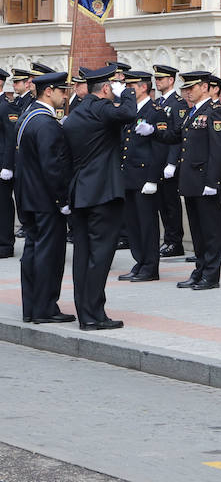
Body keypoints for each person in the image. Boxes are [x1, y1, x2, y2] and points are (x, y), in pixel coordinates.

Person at [62, 65, 142, 330]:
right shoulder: (100, 108)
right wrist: (128, 92)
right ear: (106, 88)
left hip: (81, 193)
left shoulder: (76, 113)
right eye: (114, 86)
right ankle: (93, 315)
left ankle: (87, 312)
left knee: (83, 256)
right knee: (100, 256)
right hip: (102, 194)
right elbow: (129, 113)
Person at [139, 71, 221, 290]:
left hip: (206, 181)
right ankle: (199, 270)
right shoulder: (193, 113)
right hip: (191, 180)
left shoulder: (217, 112)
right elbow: (175, 136)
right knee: (198, 231)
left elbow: (219, 151)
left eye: (192, 88)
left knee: (211, 230)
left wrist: (212, 182)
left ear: (205, 87)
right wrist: (153, 131)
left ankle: (211, 275)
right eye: (186, 88)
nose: (187, 92)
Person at [14, 71, 74, 324]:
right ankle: (45, 308)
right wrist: (63, 200)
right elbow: (53, 167)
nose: (65, 96)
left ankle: (31, 307)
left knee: (32, 253)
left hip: (28, 198)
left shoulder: (27, 117)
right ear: (48, 91)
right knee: (48, 255)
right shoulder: (46, 123)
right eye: (62, 91)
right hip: (46, 201)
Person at [118, 70, 165, 283]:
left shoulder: (155, 111)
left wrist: (153, 179)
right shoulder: (129, 110)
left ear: (143, 87)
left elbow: (160, 147)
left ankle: (150, 266)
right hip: (128, 175)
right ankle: (140, 260)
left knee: (147, 223)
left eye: (131, 86)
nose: (128, 90)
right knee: (133, 223)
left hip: (145, 176)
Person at [152, 64, 188, 259]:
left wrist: (172, 162)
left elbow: (178, 135)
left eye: (161, 79)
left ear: (171, 80)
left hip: (169, 162)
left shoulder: (178, 103)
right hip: (158, 160)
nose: (157, 82)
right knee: (162, 204)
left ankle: (175, 241)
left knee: (171, 203)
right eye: (156, 79)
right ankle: (168, 240)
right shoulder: (158, 102)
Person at [0, 67, 17, 259]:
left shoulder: (6, 106)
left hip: (2, 165)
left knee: (3, 205)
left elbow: (10, 137)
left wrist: (7, 165)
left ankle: (5, 244)